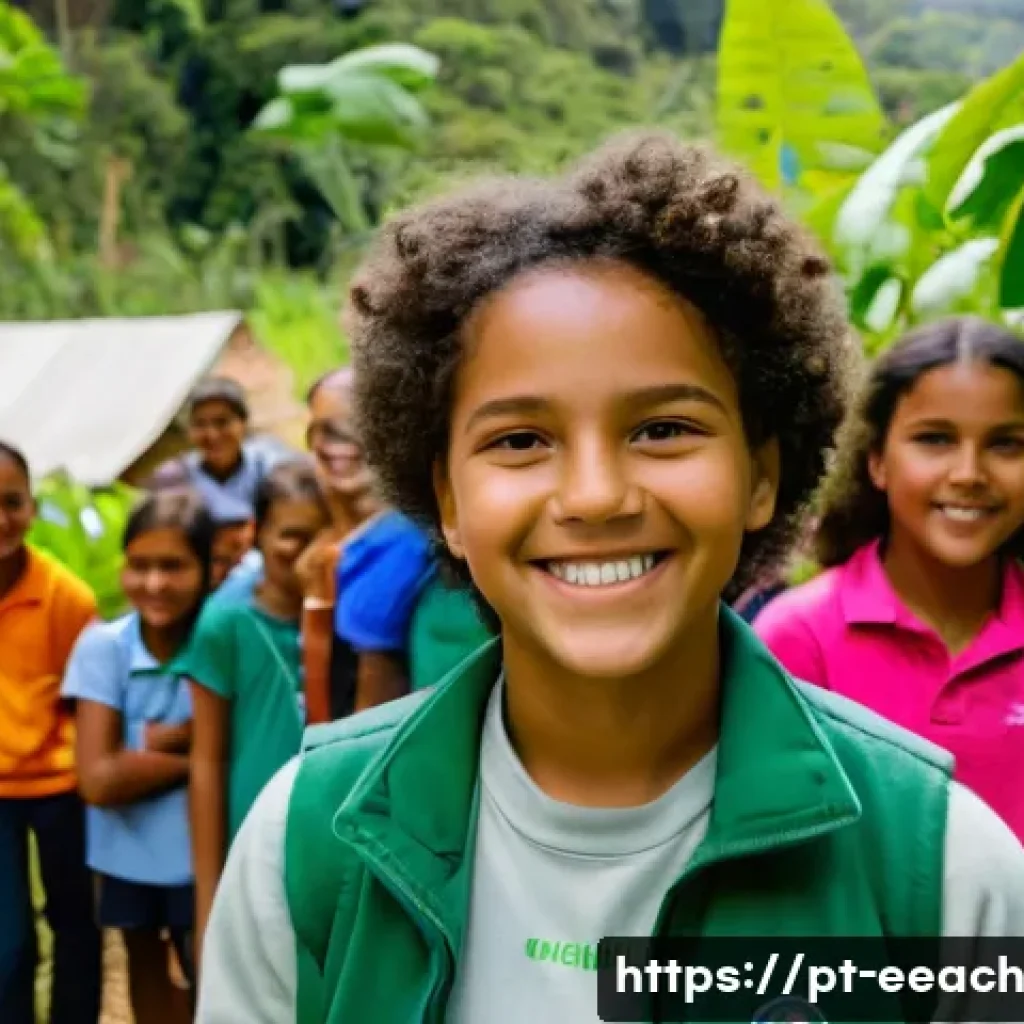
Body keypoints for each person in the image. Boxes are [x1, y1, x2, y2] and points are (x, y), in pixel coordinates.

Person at [195, 133, 1024, 1024]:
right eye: (520, 440)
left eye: (663, 429)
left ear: (760, 476)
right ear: (448, 499)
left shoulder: (944, 872)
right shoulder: (305, 847)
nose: (594, 496)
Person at [754, 317, 1024, 843]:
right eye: (935, 439)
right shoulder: (801, 638)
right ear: (876, 460)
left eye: (1006, 444)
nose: (969, 473)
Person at [62, 489, 215, 1023]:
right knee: (143, 963)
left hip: (205, 851)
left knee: (208, 972)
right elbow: (99, 780)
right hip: (127, 854)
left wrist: (157, 747)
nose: (154, 583)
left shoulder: (223, 640)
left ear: (207, 568)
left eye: (173, 566)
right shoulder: (104, 648)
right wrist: (205, 757)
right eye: (140, 565)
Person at [181, 460, 330, 968]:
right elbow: (207, 762)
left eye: (320, 535)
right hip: (254, 845)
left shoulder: (353, 617)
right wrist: (208, 904)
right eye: (291, 535)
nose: (305, 553)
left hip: (327, 845)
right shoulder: (225, 623)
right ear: (257, 534)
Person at [0, 441, 102, 1024]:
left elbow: (89, 701)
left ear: (32, 508)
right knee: (9, 942)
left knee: (76, 924)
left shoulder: (67, 598)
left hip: (61, 788)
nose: (1, 520)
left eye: (12, 503)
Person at [148, 377, 286, 521]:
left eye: (222, 422)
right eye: (200, 424)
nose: (212, 435)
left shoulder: (270, 465)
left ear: (243, 424)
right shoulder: (177, 475)